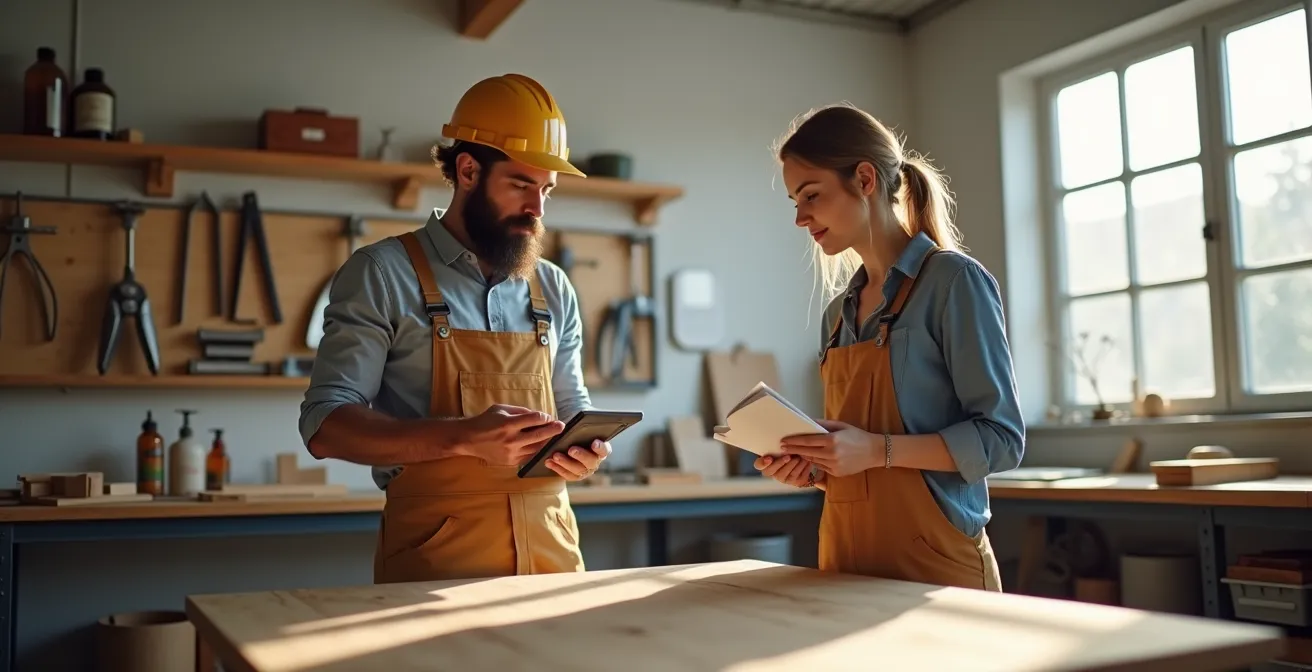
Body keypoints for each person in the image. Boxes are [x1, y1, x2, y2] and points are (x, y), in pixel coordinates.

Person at [298, 73, 610, 584]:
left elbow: (571, 403)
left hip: (552, 558)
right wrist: (463, 437)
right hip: (435, 564)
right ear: (468, 170)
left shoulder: (553, 287)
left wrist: (587, 447)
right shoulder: (382, 273)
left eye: (546, 190)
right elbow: (325, 425)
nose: (537, 210)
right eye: (520, 185)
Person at [757, 103, 1024, 592]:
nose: (800, 218)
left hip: (937, 573)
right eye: (795, 201)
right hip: (843, 567)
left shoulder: (953, 282)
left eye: (811, 195)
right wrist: (816, 465)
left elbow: (1002, 440)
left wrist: (875, 451)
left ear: (864, 179)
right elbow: (857, 459)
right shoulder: (837, 315)